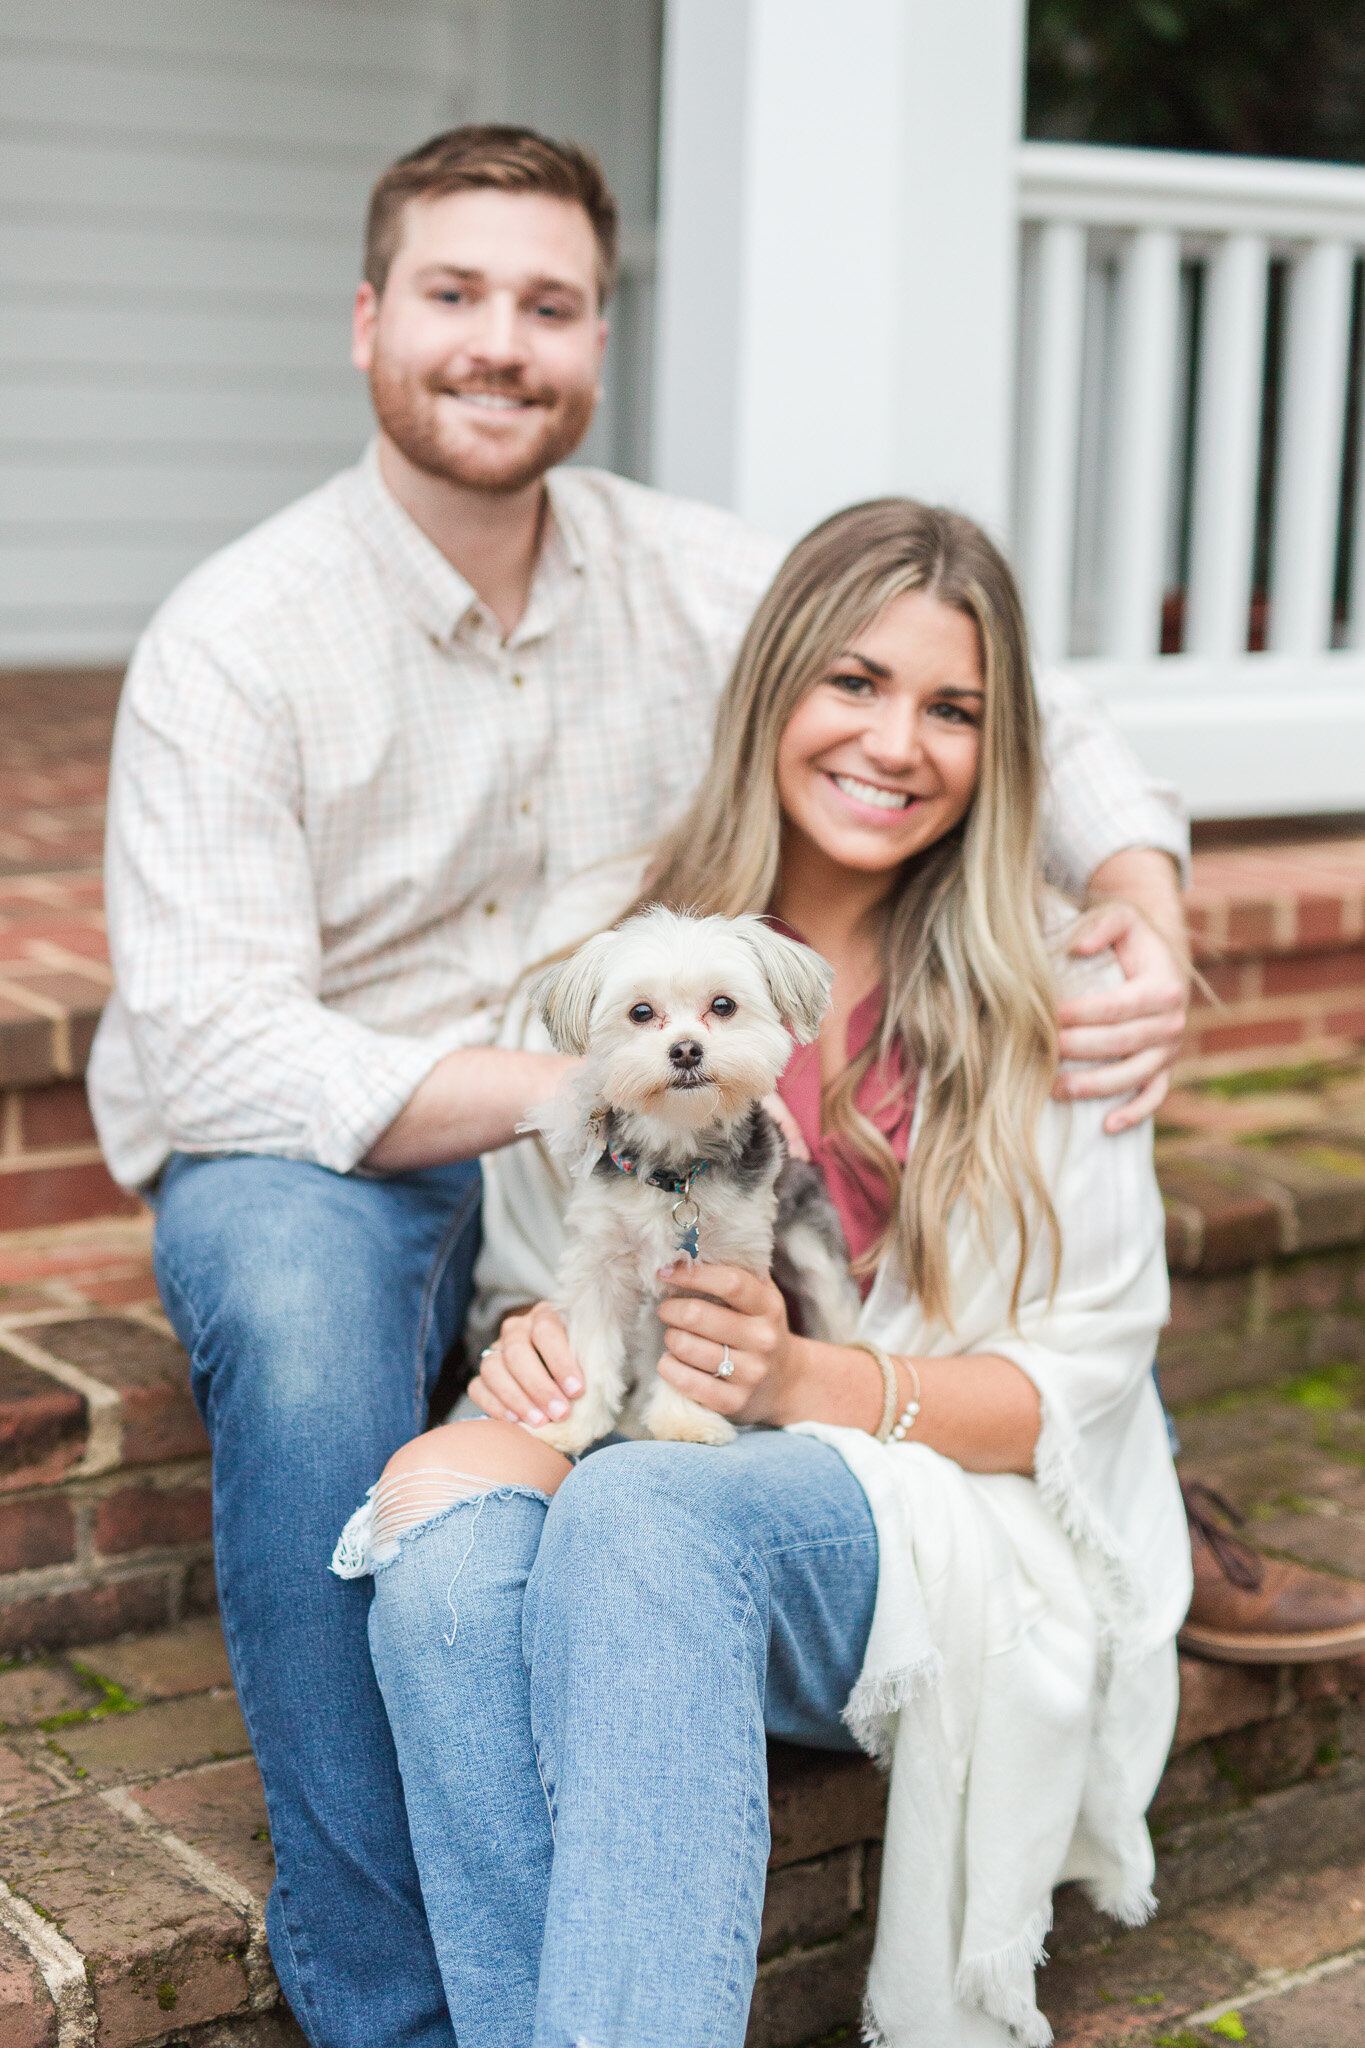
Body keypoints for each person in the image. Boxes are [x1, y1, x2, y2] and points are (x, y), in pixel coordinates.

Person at [82, 122, 1315, 2048]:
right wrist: (529, 1359)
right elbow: (219, 1044)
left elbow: (983, 667)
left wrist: (1145, 888)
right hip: (338, 1122)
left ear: (596, 333)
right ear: (366, 320)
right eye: (455, 294)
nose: (502, 340)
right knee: (393, 1488)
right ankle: (402, 2004)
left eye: (549, 301)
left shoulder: (715, 620)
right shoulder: (244, 645)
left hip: (857, 1432)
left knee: (644, 1519)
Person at [341, 499, 1189, 2048]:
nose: (896, 742)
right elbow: (539, 1266)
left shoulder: (1057, 987)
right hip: (649, 1454)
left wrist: (802, 1379)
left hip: (939, 1514)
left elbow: (1076, 1387)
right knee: (441, 1561)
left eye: (954, 711)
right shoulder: (609, 942)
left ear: (999, 757)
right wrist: (533, 1359)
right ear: (770, 692)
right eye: (853, 683)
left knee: (647, 1508)